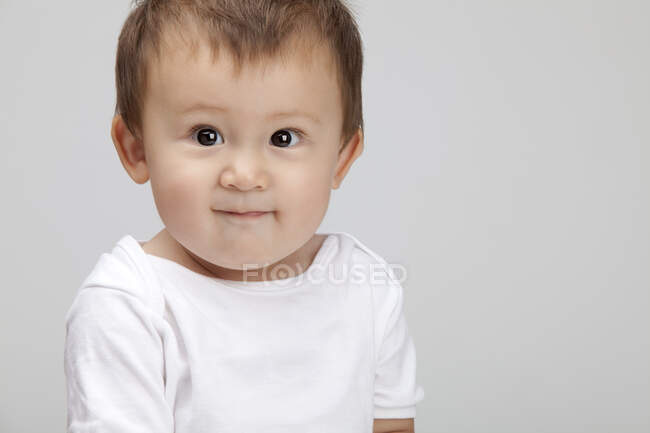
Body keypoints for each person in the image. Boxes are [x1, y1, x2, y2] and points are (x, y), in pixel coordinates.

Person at [63, 0, 424, 431]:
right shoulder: (130, 306)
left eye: (283, 137)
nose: (245, 176)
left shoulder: (367, 289)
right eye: (206, 135)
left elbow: (393, 426)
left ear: (341, 158)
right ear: (136, 149)